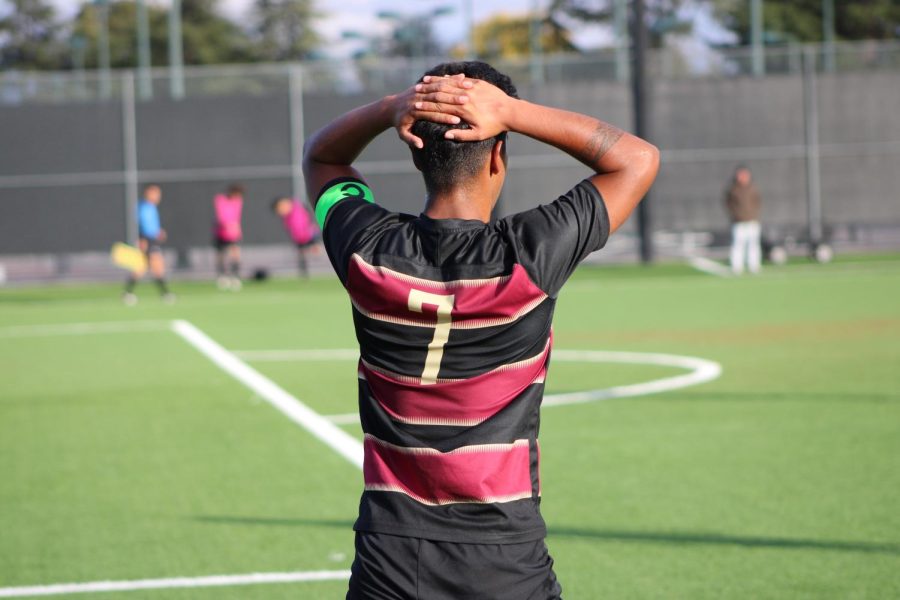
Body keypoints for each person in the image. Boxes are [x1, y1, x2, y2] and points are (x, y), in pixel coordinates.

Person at [303, 62, 658, 599]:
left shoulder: (365, 250)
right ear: (499, 154)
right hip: (504, 557)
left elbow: (323, 157)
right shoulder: (529, 255)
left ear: (413, 148)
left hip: (389, 559)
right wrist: (511, 112)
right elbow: (636, 159)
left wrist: (389, 107)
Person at [123, 184, 174, 305]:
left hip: (150, 240)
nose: (158, 196)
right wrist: (148, 237)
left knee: (142, 267)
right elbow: (144, 226)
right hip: (147, 240)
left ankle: (128, 292)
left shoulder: (151, 207)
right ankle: (165, 293)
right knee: (156, 266)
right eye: (155, 193)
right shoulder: (144, 207)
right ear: (148, 193)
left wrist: (159, 232)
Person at [725, 165, 762, 275]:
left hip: (752, 220)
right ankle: (737, 267)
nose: (743, 177)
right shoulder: (733, 189)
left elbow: (758, 202)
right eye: (740, 175)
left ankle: (754, 266)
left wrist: (754, 214)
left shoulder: (753, 188)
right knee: (738, 244)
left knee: (753, 245)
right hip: (739, 222)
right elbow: (729, 204)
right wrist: (736, 215)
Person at [271, 196, 321, 277]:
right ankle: (305, 273)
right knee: (302, 255)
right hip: (300, 238)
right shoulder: (287, 215)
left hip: (308, 235)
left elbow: (305, 222)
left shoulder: (297, 209)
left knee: (314, 251)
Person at [213, 183, 244, 290]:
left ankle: (235, 276)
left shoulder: (238, 201)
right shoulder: (220, 199)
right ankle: (222, 276)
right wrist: (228, 225)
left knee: (235, 254)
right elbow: (221, 215)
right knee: (221, 255)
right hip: (221, 232)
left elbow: (237, 216)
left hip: (233, 234)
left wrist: (236, 228)